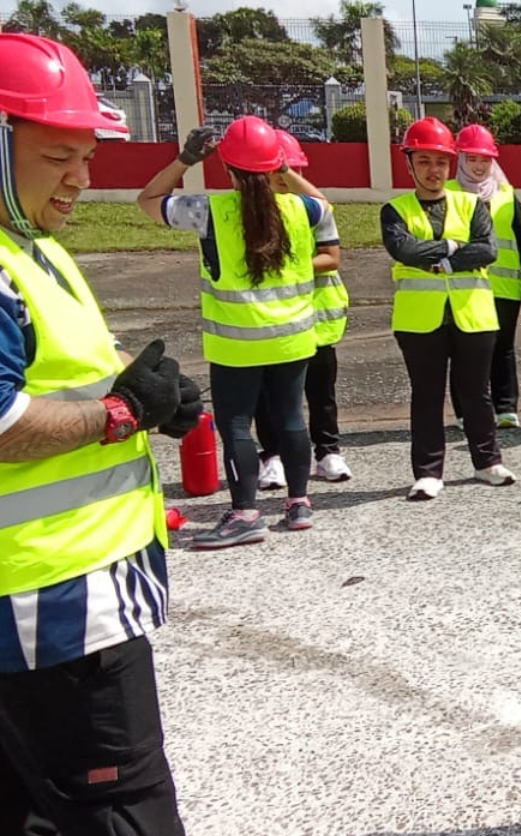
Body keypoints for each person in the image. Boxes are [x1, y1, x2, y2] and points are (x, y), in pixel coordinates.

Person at [0, 32, 331, 836]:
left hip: (21, 574)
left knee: (9, 760)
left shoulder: (12, 239)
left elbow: (54, 371)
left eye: (84, 154)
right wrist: (119, 415)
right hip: (45, 574)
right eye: (60, 156)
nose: (82, 177)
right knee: (114, 773)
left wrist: (139, 392)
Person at [138, 115, 331, 546]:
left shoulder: (208, 210)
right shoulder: (299, 209)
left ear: (226, 167)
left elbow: (148, 200)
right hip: (292, 338)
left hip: (235, 343)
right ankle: (299, 503)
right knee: (291, 419)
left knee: (238, 426)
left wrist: (185, 160)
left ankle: (245, 513)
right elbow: (324, 205)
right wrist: (285, 171)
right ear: (274, 165)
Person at [383, 117, 515, 501]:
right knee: (426, 395)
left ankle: (487, 462)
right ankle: (428, 473)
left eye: (441, 161)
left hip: (473, 314)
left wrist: (436, 259)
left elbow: (487, 250)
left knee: (477, 392)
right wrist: (453, 249)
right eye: (424, 161)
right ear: (409, 163)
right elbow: (404, 250)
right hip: (419, 318)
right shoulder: (395, 210)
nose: (434, 170)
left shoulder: (472, 204)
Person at [250, 130, 352, 486]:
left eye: (292, 169)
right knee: (269, 395)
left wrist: (287, 268)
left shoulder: (311, 210)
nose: (283, 177)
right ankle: (272, 456)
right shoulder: (253, 213)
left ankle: (327, 452)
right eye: (276, 170)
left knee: (321, 392)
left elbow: (331, 258)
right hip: (269, 320)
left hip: (316, 319)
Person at [449, 123, 521, 429]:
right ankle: (466, 411)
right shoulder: (449, 193)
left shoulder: (506, 193)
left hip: (504, 285)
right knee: (465, 349)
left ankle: (505, 408)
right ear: (461, 159)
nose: (478, 166)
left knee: (503, 346)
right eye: (472, 159)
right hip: (463, 285)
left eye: (484, 160)